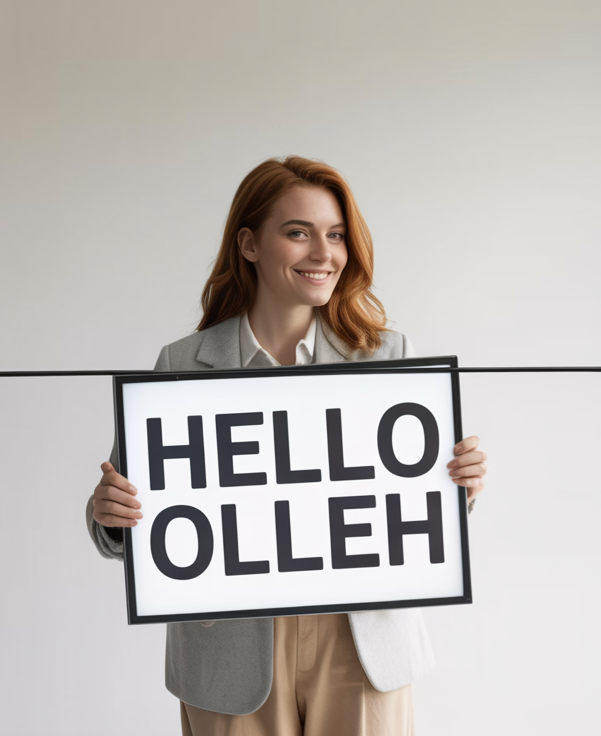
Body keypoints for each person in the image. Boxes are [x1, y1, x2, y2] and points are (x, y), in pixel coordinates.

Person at [85, 156, 488, 735]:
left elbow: (415, 511)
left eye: (336, 235)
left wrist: (458, 486)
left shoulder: (387, 356)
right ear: (249, 245)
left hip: (363, 640)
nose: (324, 254)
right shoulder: (182, 365)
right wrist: (113, 515)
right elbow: (126, 530)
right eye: (298, 233)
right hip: (229, 647)